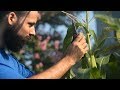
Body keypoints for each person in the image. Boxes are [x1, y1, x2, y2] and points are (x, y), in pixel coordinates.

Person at [0, 11, 88, 79]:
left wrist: (70, 54)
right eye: (30, 24)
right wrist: (69, 59)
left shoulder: (8, 61)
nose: (33, 32)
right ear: (11, 18)